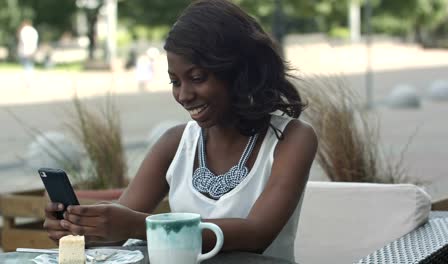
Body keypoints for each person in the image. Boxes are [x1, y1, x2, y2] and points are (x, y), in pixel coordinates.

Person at [43, 0, 318, 262]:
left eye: (197, 78)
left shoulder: (292, 139)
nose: (184, 95)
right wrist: (79, 230)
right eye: (175, 81)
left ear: (237, 72)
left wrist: (141, 226)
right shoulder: (175, 143)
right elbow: (118, 232)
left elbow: (257, 233)